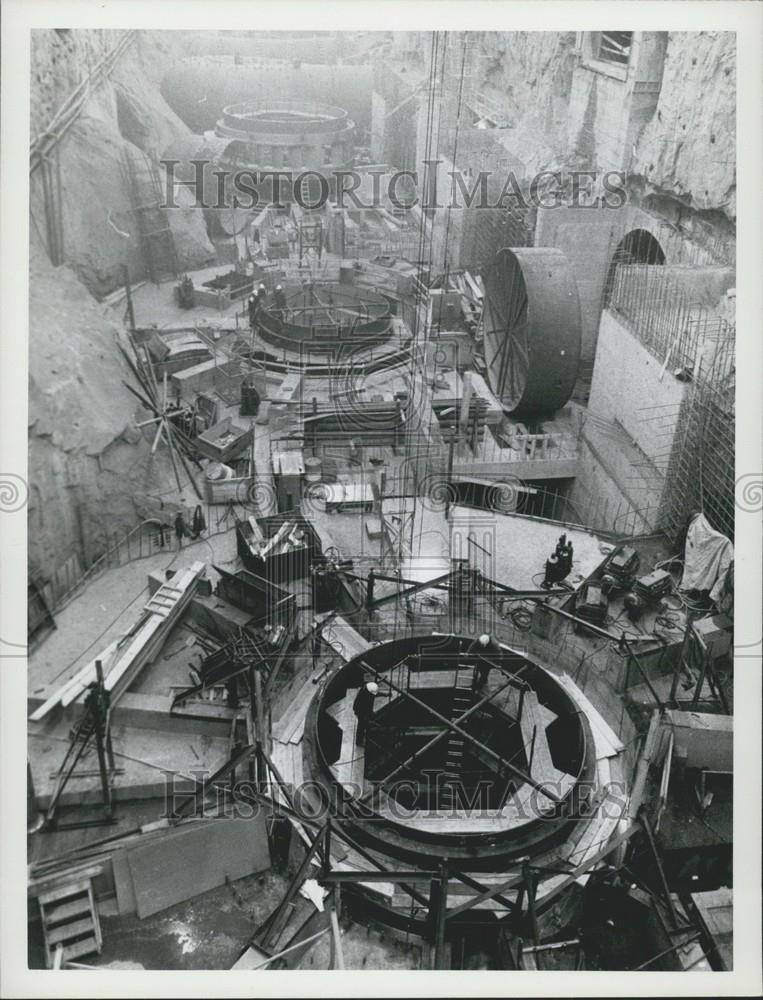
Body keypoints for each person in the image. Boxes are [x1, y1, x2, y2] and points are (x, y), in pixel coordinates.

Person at [352, 681, 378, 747]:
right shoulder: (363, 696)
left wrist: (385, 694)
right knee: (361, 725)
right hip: (360, 711)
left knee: (364, 722)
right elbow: (365, 707)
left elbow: (375, 694)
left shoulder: (368, 690)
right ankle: (359, 742)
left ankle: (367, 725)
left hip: (363, 710)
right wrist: (366, 715)